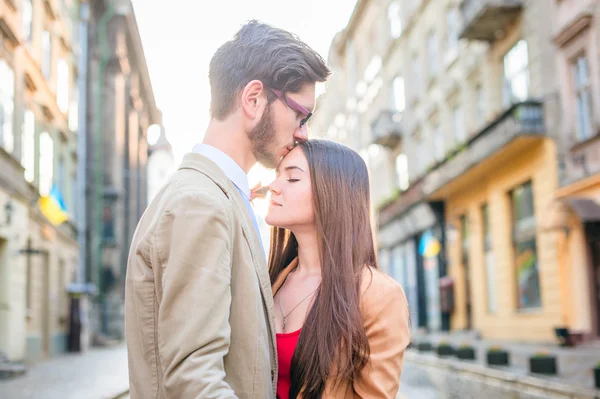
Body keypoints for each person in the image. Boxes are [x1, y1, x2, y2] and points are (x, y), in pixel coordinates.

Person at [124, 20, 330, 399]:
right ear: (253, 100)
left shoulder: (218, 197)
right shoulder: (200, 204)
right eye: (301, 115)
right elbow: (195, 382)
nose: (303, 133)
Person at [267, 140, 411, 399]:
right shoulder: (270, 280)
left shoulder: (378, 295)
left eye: (292, 179)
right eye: (277, 176)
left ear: (332, 192)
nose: (273, 187)